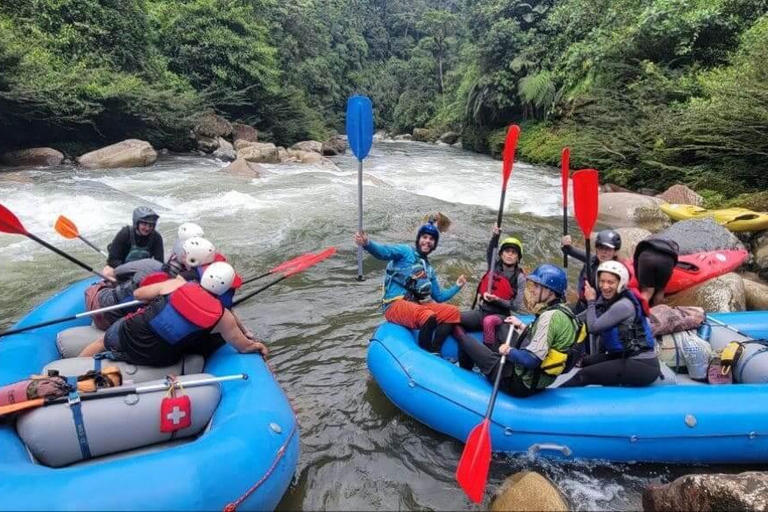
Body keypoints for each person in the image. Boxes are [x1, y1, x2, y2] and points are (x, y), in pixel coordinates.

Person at [79, 262, 267, 366]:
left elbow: (138, 294)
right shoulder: (224, 317)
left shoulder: (176, 285)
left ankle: (75, 367)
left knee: (102, 342)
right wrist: (258, 346)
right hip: (159, 357)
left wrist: (157, 298)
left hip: (130, 334)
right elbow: (244, 346)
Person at [456, 264, 580, 398]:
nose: (533, 290)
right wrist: (521, 326)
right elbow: (547, 340)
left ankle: (468, 378)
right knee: (503, 326)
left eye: (537, 286)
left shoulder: (549, 317)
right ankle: (490, 360)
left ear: (550, 291)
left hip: (517, 382)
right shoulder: (565, 313)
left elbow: (531, 360)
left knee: (465, 340)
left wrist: (508, 351)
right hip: (537, 381)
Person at [354, 219, 467, 353]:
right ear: (419, 239)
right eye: (424, 237)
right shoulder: (405, 251)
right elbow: (383, 252)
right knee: (428, 315)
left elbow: (439, 296)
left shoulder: (429, 269)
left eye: (431, 239)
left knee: (452, 312)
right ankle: (425, 353)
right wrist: (367, 243)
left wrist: (457, 286)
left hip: (416, 306)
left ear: (434, 244)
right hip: (394, 305)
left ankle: (435, 349)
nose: (427, 241)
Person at [559, 261, 660, 387]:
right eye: (602, 281)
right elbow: (583, 317)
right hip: (623, 355)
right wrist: (559, 318)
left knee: (584, 375)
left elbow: (593, 327)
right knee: (586, 361)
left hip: (642, 364)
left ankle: (553, 401)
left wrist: (590, 301)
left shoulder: (623, 305)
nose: (605, 286)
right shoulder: (609, 299)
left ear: (620, 283)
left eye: (610, 282)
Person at [84, 237, 218, 331]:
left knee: (113, 280)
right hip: (119, 316)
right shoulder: (194, 283)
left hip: (101, 307)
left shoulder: (151, 265)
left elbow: (112, 273)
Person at [460, 224, 526, 345]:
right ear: (501, 254)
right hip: (482, 311)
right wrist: (495, 236)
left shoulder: (520, 278)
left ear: (518, 257)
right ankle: (460, 343)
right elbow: (491, 250)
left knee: (488, 322)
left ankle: (489, 352)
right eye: (507, 251)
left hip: (501, 316)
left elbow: (515, 306)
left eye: (513, 252)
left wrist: (497, 300)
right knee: (455, 317)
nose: (510, 254)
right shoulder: (493, 266)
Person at [561, 229, 622, 314]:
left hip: (597, 312)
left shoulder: (616, 274)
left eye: (608, 249)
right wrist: (565, 243)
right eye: (601, 248)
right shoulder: (591, 259)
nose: (603, 252)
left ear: (615, 252)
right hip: (581, 305)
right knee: (557, 312)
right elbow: (567, 250)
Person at [103, 206, 164, 280]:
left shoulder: (156, 237)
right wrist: (130, 273)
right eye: (144, 224)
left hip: (143, 272)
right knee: (108, 272)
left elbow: (159, 261)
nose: (147, 228)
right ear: (136, 223)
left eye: (151, 225)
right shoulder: (125, 234)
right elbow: (112, 260)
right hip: (122, 270)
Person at [633, 236, 679, 307]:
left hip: (647, 257)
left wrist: (641, 282)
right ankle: (655, 312)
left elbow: (635, 263)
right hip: (667, 260)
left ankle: (641, 312)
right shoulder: (673, 247)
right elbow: (674, 264)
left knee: (647, 291)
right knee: (660, 290)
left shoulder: (644, 244)